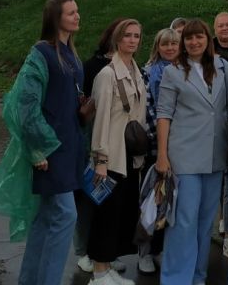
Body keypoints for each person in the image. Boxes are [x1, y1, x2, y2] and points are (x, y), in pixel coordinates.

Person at [0, 0, 85, 285]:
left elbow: (65, 101)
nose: (77, 17)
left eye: (77, 11)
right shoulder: (41, 53)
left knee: (45, 220)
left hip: (69, 148)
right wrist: (37, 148)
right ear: (55, 18)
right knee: (65, 216)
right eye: (70, 13)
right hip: (49, 151)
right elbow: (25, 107)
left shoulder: (71, 55)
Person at [156, 18, 228, 285]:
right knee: (184, 221)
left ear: (207, 40)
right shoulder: (173, 71)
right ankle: (176, 278)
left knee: (204, 221)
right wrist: (162, 155)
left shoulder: (222, 68)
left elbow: (227, 109)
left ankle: (198, 276)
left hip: (215, 155)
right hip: (184, 155)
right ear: (183, 43)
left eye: (199, 37)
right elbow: (164, 114)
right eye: (189, 38)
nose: (194, 42)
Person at [88, 19, 147, 284]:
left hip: (129, 156)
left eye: (137, 36)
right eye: (128, 36)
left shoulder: (136, 71)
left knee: (120, 215)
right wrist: (100, 160)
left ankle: (107, 264)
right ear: (117, 39)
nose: (132, 40)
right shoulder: (106, 75)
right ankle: (98, 272)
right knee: (106, 215)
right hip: (110, 156)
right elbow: (100, 120)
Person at [72, 17, 128, 275]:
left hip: (115, 144)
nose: (129, 41)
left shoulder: (129, 66)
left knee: (107, 202)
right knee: (88, 198)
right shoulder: (95, 67)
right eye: (124, 35)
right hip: (91, 140)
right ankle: (84, 251)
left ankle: (103, 252)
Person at [139, 27, 180, 273]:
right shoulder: (149, 72)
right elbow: (149, 110)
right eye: (165, 44)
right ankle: (144, 251)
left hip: (180, 146)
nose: (170, 48)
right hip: (157, 145)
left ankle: (160, 249)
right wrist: (164, 137)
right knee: (151, 200)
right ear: (158, 46)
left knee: (170, 201)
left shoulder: (184, 71)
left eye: (174, 44)